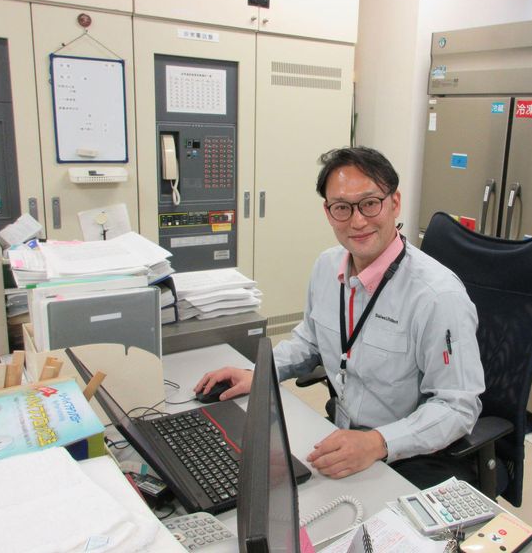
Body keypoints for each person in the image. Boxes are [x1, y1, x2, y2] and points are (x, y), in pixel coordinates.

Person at [196, 146, 485, 488]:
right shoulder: (327, 266)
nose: (357, 221)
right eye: (342, 208)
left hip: (411, 455)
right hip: (341, 436)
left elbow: (457, 407)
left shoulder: (437, 296)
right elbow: (309, 341)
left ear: (394, 203)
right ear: (328, 212)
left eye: (370, 203)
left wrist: (377, 443)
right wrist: (259, 373)